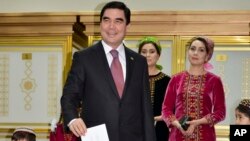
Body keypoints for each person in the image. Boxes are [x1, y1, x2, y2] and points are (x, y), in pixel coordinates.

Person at [60, 1, 156, 141]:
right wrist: (73, 119)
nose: (111, 27)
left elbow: (146, 110)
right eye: (106, 20)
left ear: (127, 26)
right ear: (100, 24)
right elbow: (69, 96)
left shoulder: (139, 62)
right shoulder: (84, 58)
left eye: (118, 21)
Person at [162, 36, 226, 141]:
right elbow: (166, 109)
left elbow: (220, 112)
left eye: (201, 50)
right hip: (178, 135)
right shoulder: (176, 79)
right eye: (192, 49)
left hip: (205, 136)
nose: (195, 53)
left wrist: (198, 122)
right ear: (188, 52)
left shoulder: (215, 80)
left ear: (207, 56)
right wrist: (178, 125)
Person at [138, 36, 170, 141]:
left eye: (152, 51)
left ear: (158, 55)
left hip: (160, 130)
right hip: (136, 129)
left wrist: (157, 118)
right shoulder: (131, 80)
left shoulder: (168, 81)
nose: (147, 55)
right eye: (143, 52)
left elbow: (173, 109)